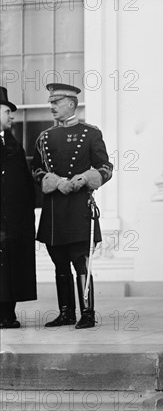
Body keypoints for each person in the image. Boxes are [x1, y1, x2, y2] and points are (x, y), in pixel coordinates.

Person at [31, 83, 113, 329]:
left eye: (56, 102)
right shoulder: (44, 137)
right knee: (59, 262)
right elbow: (35, 170)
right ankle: (66, 312)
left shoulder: (91, 133)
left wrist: (85, 178)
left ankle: (87, 313)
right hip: (55, 208)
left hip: (79, 207)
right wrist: (54, 181)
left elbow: (106, 168)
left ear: (71, 103)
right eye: (51, 102)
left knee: (81, 262)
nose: (52, 106)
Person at [0, 86, 37, 329]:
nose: (11, 116)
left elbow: (24, 182)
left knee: (12, 266)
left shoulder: (13, 145)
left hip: (14, 220)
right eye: (6, 111)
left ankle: (7, 313)